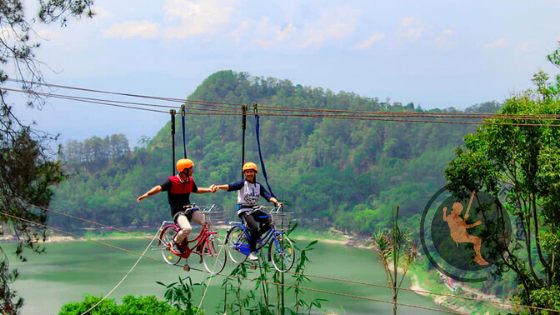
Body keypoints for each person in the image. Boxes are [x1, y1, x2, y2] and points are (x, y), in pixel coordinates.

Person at [137, 158, 217, 254]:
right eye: (190, 168)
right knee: (187, 229)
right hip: (178, 212)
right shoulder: (172, 181)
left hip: (189, 209)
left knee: (207, 222)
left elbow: (196, 190)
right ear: (184, 170)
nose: (192, 170)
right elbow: (159, 188)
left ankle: (201, 246)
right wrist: (147, 194)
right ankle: (174, 242)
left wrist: (209, 190)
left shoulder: (190, 180)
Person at [215, 162, 281, 261]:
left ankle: (257, 237)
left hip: (254, 209)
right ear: (244, 173)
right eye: (247, 172)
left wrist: (276, 201)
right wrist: (218, 186)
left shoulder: (258, 186)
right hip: (244, 209)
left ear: (255, 173)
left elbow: (267, 195)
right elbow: (230, 186)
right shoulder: (242, 183)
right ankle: (252, 251)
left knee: (270, 221)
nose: (249, 174)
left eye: (251, 172)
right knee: (254, 227)